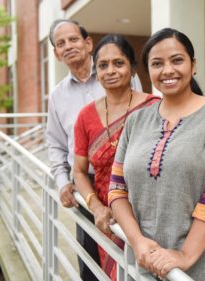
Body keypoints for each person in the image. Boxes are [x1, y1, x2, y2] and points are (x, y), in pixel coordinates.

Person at [108, 28, 205, 281]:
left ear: (193, 65)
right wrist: (137, 242)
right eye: (157, 63)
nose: (167, 70)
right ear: (148, 71)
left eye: (177, 60)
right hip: (147, 262)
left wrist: (184, 255)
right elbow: (116, 189)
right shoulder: (136, 120)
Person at [46, 19, 143, 281]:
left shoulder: (118, 74)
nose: (68, 46)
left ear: (88, 43)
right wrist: (62, 181)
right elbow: (54, 143)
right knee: (91, 257)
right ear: (56, 53)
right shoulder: (57, 95)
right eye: (60, 43)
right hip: (86, 184)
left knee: (132, 252)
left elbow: (142, 126)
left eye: (73, 39)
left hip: (129, 181)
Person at [73, 34, 160, 280]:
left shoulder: (155, 107)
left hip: (150, 217)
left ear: (132, 68)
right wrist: (96, 206)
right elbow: (79, 171)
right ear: (95, 70)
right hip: (109, 221)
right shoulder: (85, 116)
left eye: (118, 63)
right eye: (103, 65)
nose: (110, 71)